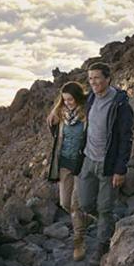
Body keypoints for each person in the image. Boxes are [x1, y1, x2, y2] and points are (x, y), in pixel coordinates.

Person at [72, 62, 134, 266]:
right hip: (88, 160)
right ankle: (110, 225)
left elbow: (126, 137)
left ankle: (101, 247)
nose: (93, 82)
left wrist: (120, 169)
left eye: (97, 78)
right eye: (90, 79)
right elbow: (70, 103)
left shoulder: (120, 103)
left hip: (108, 164)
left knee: (105, 208)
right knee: (85, 203)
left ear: (108, 78)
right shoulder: (90, 98)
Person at [46, 81, 88, 216]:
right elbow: (55, 135)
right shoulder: (60, 115)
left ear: (77, 97)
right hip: (64, 163)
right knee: (65, 203)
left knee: (76, 205)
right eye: (64, 100)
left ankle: (79, 235)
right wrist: (54, 111)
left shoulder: (87, 113)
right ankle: (87, 220)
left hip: (81, 163)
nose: (67, 102)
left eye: (70, 99)